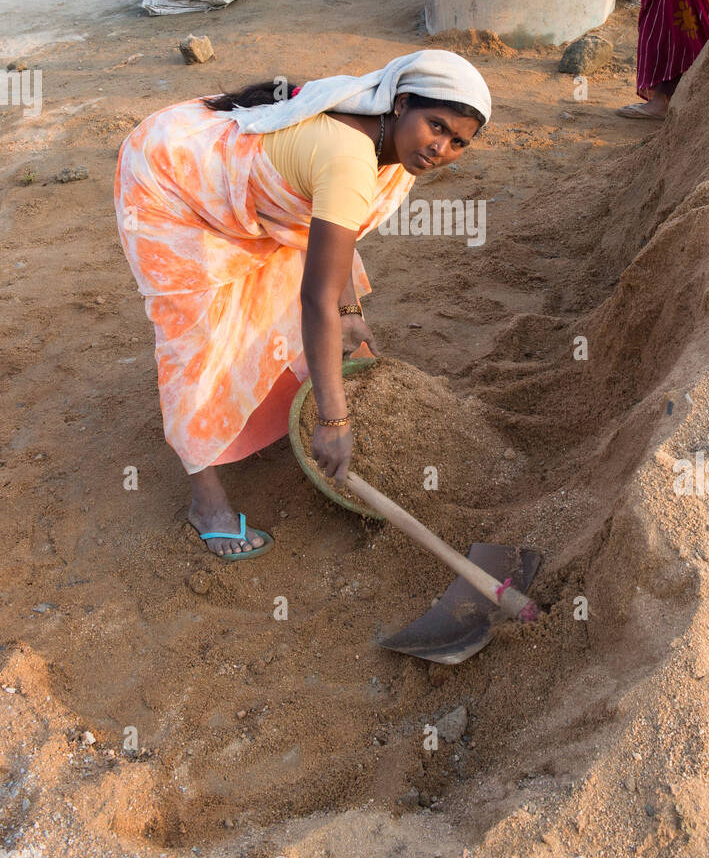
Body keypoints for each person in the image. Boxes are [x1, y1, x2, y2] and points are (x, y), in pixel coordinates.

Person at [114, 50, 491, 558]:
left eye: (458, 142)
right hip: (174, 182)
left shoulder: (393, 148)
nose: (440, 148)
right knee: (195, 337)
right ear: (401, 104)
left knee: (282, 277)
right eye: (436, 125)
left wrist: (351, 312)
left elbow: (329, 231)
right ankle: (206, 502)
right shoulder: (349, 158)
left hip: (248, 195)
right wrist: (335, 421)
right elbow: (316, 298)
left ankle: (261, 413)